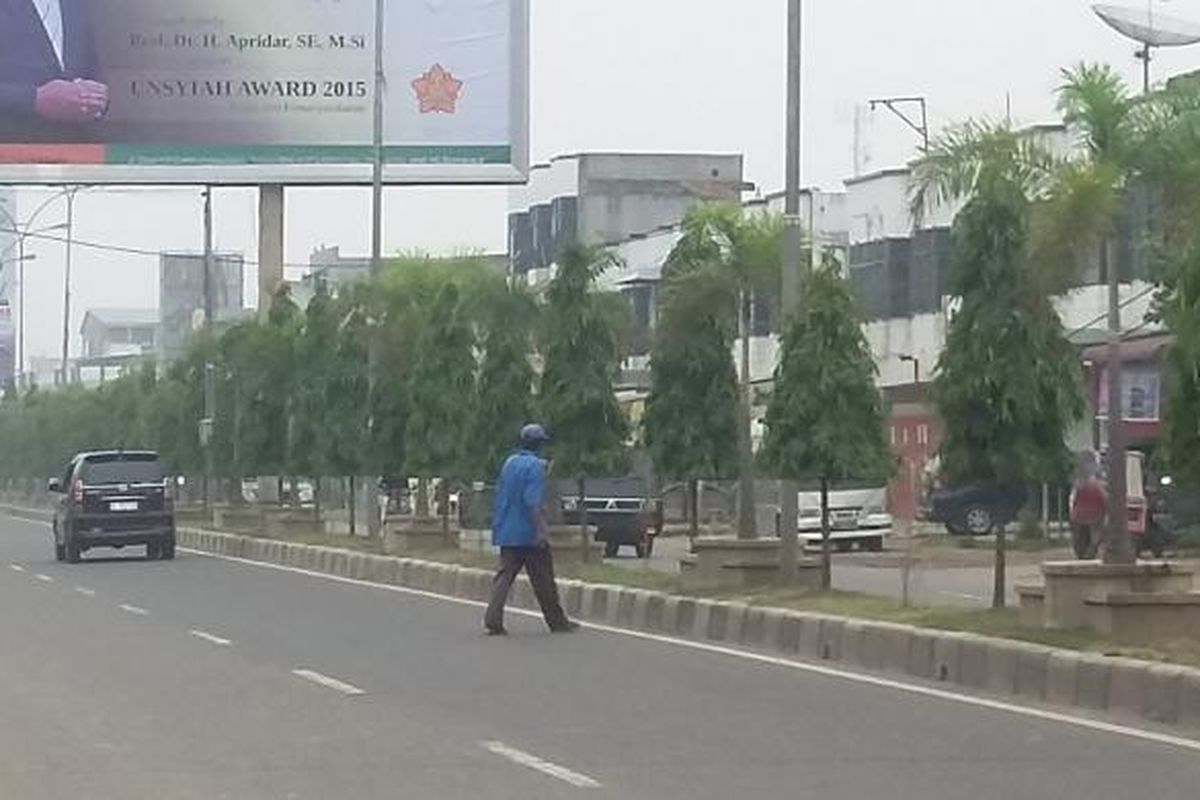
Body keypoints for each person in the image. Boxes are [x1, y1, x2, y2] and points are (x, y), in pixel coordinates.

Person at [484, 424, 578, 636]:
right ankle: (557, 621)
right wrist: (541, 530)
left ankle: (492, 617)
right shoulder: (535, 467)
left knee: (504, 576)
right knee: (544, 578)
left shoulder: (509, 463)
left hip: (508, 530)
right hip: (528, 532)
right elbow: (533, 502)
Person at [0, 0, 109, 143]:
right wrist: (34, 99)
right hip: (11, 151)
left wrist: (94, 98)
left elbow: (91, 71)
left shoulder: (75, 5)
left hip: (74, 150)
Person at [1070, 451, 1108, 560]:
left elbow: (1072, 499)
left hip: (1080, 515)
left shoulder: (1078, 483)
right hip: (1094, 515)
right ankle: (1090, 550)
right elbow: (1105, 498)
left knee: (1083, 536)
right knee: (1095, 536)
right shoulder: (1099, 483)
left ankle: (1086, 552)